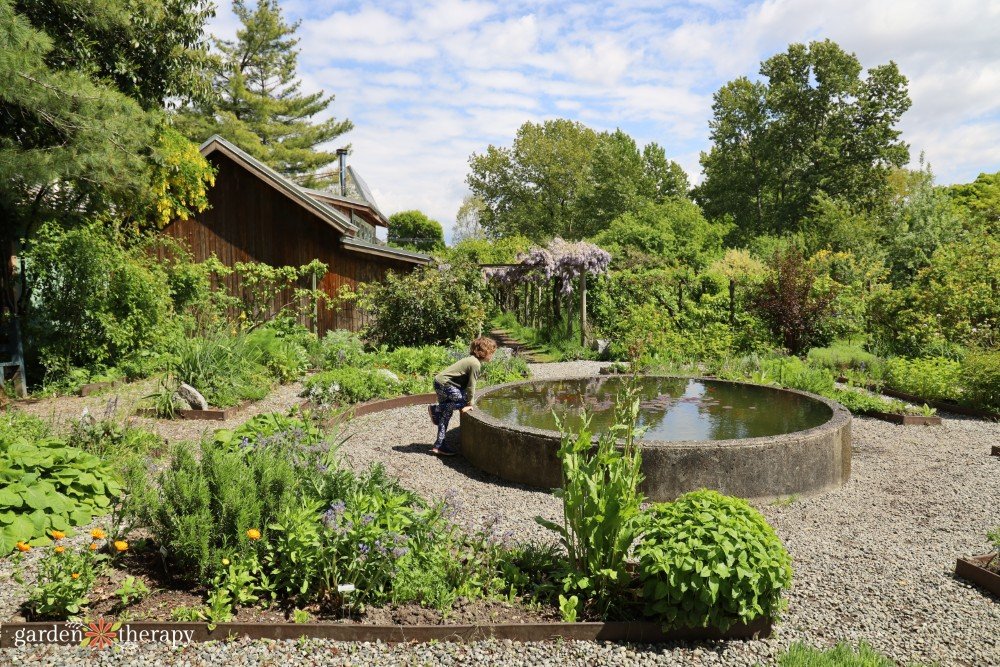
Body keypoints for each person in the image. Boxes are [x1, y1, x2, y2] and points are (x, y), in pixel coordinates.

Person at [428, 337, 497, 455]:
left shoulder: (471, 360)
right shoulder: (475, 363)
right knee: (464, 401)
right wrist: (470, 403)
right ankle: (435, 409)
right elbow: (471, 386)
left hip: (440, 382)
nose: (492, 356)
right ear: (483, 351)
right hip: (445, 384)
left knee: (446, 414)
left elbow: (463, 384)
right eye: (491, 352)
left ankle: (439, 445)